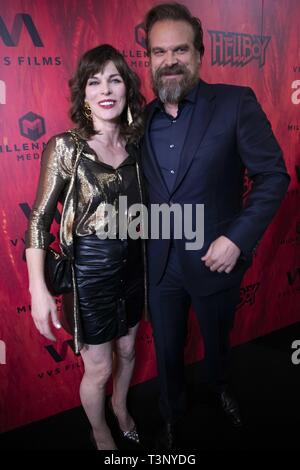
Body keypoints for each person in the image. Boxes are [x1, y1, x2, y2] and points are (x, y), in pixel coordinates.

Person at [142, 2, 290, 449]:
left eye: (180, 50)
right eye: (158, 52)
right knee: (167, 351)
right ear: (148, 59)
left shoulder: (234, 103)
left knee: (217, 343)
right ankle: (171, 412)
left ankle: (221, 387)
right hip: (159, 265)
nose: (169, 61)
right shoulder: (139, 118)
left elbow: (274, 176)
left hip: (216, 260)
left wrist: (236, 238)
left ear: (199, 54)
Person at [25, 44, 146, 450]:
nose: (105, 89)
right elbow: (40, 221)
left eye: (114, 79)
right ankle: (100, 431)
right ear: (85, 94)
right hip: (89, 273)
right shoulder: (66, 148)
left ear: (127, 88)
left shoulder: (137, 148)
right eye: (95, 82)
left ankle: (122, 406)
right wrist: (37, 289)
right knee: (97, 368)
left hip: (133, 267)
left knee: (127, 351)